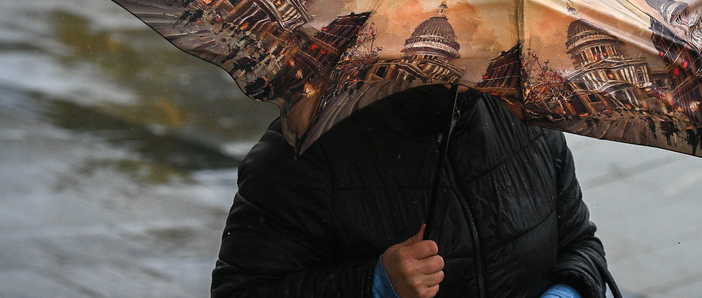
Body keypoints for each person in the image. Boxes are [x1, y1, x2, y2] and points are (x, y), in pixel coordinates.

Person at [211, 85, 610, 298]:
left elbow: (579, 244)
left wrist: (566, 292)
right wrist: (374, 285)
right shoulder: (301, 156)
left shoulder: (523, 117)